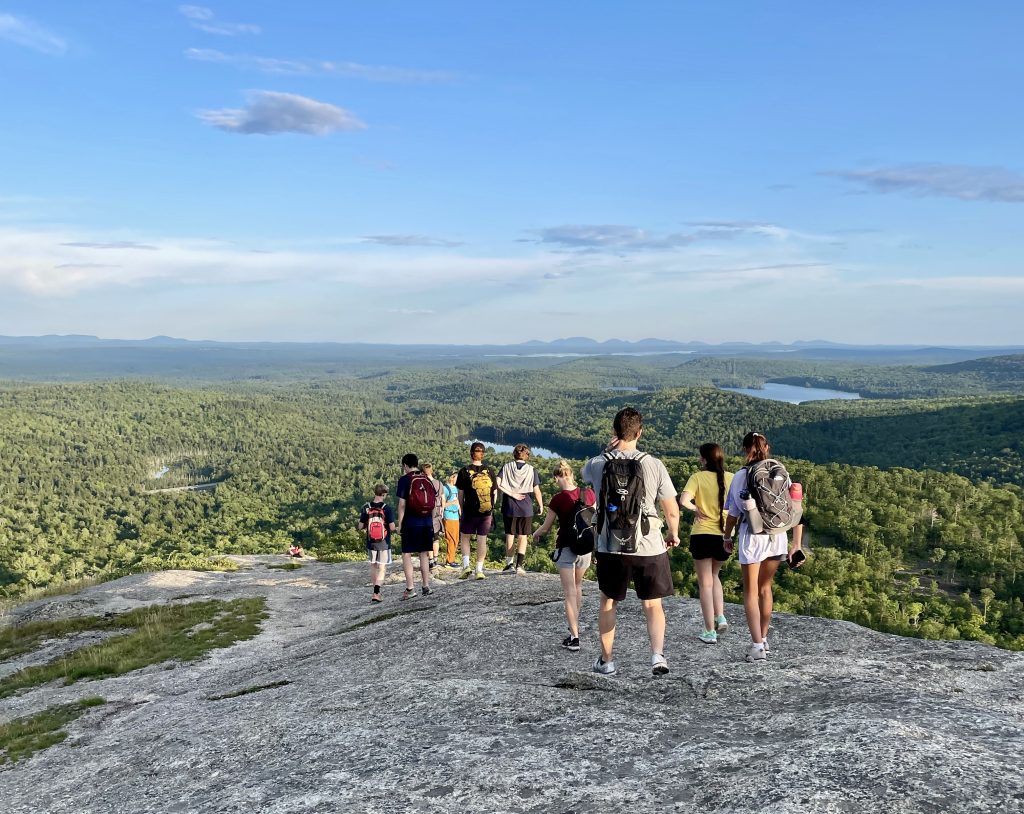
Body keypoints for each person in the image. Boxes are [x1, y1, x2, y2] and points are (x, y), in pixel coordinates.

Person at [582, 407, 680, 677]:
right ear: (640, 432)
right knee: (652, 604)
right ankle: (657, 657)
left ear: (615, 432)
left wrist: (605, 450)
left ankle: (607, 661)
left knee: (608, 602)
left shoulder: (598, 463)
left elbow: (584, 476)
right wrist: (673, 534)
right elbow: (671, 509)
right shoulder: (654, 464)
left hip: (610, 543)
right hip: (648, 543)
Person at [723, 431, 804, 662]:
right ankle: (764, 639)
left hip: (753, 536)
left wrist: (727, 538)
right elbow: (795, 508)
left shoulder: (741, 475)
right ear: (766, 447)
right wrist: (796, 544)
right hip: (777, 536)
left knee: (750, 591)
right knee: (765, 588)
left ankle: (757, 646)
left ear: (745, 449)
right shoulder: (780, 472)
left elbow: (733, 513)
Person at [532, 460, 595, 651]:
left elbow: (546, 527)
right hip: (586, 546)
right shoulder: (589, 493)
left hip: (566, 548)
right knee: (578, 586)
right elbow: (597, 520)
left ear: (558, 477)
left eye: (556, 479)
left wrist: (536, 533)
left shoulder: (558, 499)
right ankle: (574, 624)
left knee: (568, 593)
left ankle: (574, 637)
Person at [679, 443, 734, 644]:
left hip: (702, 534)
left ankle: (709, 631)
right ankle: (720, 616)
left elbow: (684, 501)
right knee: (714, 575)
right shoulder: (732, 478)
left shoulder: (697, 478)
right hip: (725, 535)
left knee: (705, 583)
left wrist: (696, 509)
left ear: (704, 459)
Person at [396, 453, 441, 599]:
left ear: (405, 466)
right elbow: (433, 504)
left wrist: (400, 524)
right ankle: (426, 586)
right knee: (423, 554)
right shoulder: (426, 479)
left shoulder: (405, 480)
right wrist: (432, 521)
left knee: (407, 554)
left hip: (410, 522)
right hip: (426, 522)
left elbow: (402, 505)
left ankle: (410, 589)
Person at [497, 443, 543, 574]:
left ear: (514, 454)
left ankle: (509, 564)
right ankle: (520, 566)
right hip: (526, 506)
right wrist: (540, 505)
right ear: (526, 455)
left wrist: (511, 493)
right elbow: (536, 490)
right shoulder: (531, 469)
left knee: (510, 535)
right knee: (523, 536)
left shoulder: (506, 467)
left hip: (509, 506)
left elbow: (497, 483)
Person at [456, 442, 498, 580]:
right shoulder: (489, 471)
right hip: (486, 512)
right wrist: (490, 508)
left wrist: (462, 509)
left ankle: (466, 566)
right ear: (483, 454)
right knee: (482, 539)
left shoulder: (464, 471)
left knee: (465, 537)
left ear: (471, 454)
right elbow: (495, 493)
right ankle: (479, 569)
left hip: (469, 510)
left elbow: (460, 494)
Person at [358, 483, 396, 603]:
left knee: (373, 565)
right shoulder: (386, 508)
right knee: (382, 567)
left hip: (371, 542)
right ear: (384, 494)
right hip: (384, 542)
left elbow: (360, 526)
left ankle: (374, 592)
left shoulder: (366, 507)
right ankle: (377, 591)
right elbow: (392, 527)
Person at [421, 463, 444, 570]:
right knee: (436, 539)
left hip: (426, 514)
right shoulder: (439, 483)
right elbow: (443, 499)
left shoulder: (422, 484)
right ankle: (435, 559)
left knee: (427, 538)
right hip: (437, 514)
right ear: (432, 471)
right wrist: (441, 511)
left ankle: (430, 560)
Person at [441, 472, 461, 567]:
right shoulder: (445, 489)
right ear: (452, 478)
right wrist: (453, 502)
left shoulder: (456, 489)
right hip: (448, 516)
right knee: (451, 539)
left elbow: (458, 504)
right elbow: (443, 505)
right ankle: (449, 561)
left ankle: (452, 559)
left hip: (456, 517)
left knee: (456, 539)